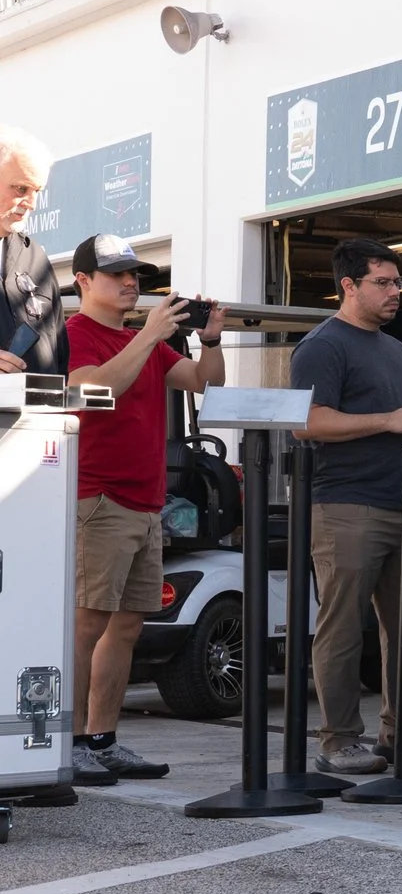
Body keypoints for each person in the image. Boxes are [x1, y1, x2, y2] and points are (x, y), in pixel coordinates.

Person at [291, 239, 402, 774]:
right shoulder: (322, 346)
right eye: (383, 283)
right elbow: (309, 422)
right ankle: (338, 740)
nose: (396, 292)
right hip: (347, 506)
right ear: (349, 286)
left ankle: (396, 734)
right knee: (342, 628)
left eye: (398, 282)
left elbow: (392, 419)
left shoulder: (395, 348)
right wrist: (389, 420)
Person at [64, 236, 226, 786]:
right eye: (116, 275)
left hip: (145, 501)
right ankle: (71, 740)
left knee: (128, 625)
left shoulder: (147, 342)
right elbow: (90, 388)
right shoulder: (71, 335)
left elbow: (206, 383)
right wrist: (152, 334)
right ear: (83, 280)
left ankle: (102, 739)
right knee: (86, 623)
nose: (131, 283)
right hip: (99, 497)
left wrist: (210, 339)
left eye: (136, 275)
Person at [0, 128, 66, 378]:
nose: (32, 203)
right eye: (20, 189)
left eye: (36, 191)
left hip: (36, 415)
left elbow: (59, 354)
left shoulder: (35, 258)